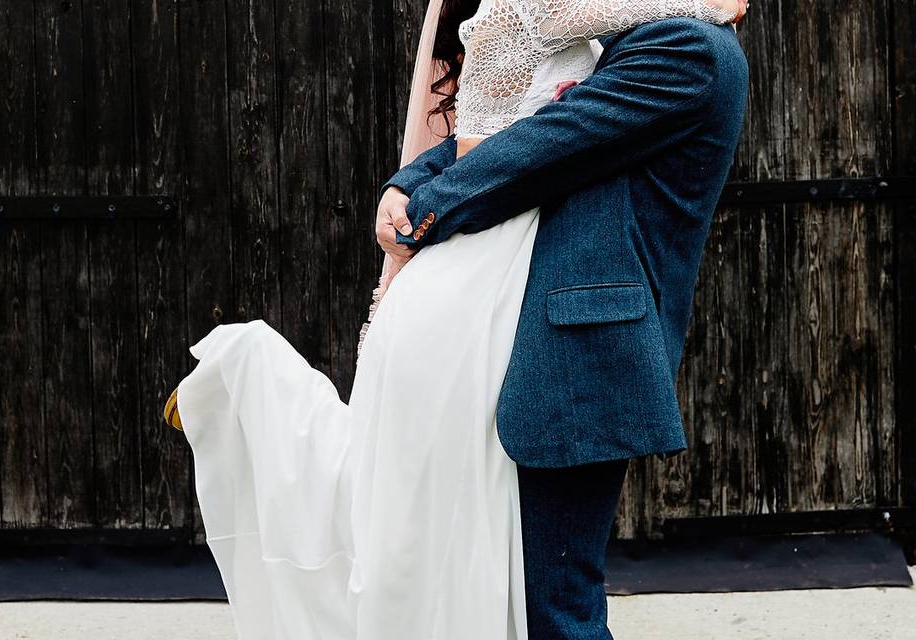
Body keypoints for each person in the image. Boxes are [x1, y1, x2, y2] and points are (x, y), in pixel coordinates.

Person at [162, 1, 748, 638]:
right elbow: (524, 120)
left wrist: (425, 210)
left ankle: (242, 379)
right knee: (484, 585)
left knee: (555, 604)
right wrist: (407, 181)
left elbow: (550, 144)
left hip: (577, 360)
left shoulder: (688, 52)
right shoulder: (620, 37)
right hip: (509, 352)